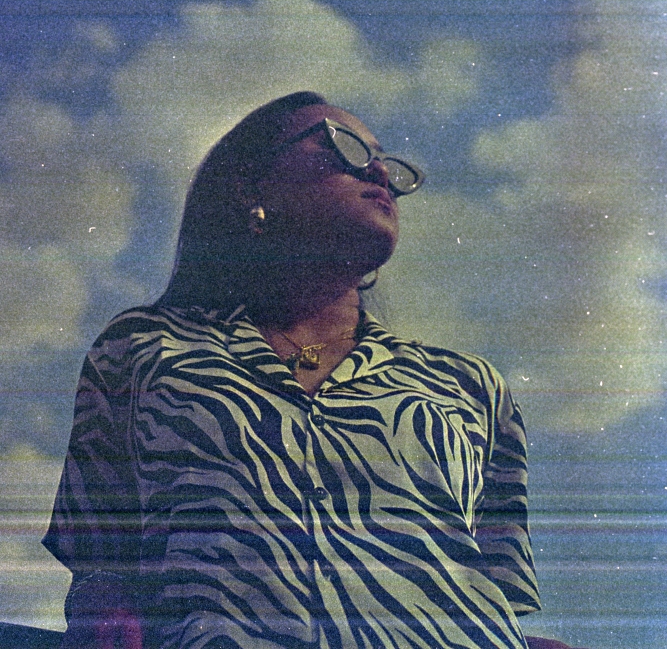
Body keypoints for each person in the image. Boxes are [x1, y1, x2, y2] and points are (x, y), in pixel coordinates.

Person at [43, 91, 581, 649]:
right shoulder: (143, 349)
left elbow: (499, 598)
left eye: (385, 161)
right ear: (251, 187)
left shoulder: (472, 386)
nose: (379, 172)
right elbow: (99, 570)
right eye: (344, 147)